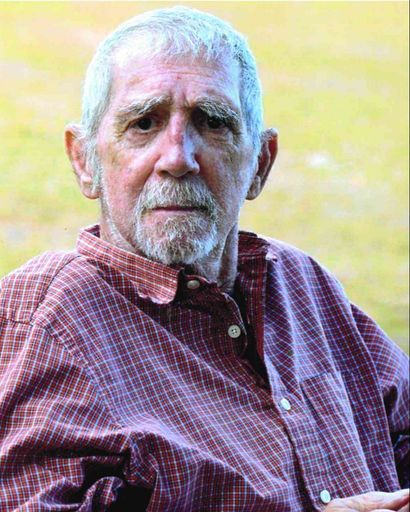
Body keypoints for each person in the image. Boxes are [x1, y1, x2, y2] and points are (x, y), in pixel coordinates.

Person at [0, 6, 408, 511]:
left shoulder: (301, 285)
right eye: (143, 123)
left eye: (213, 123)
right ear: (84, 161)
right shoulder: (49, 321)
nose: (177, 158)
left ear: (260, 164)